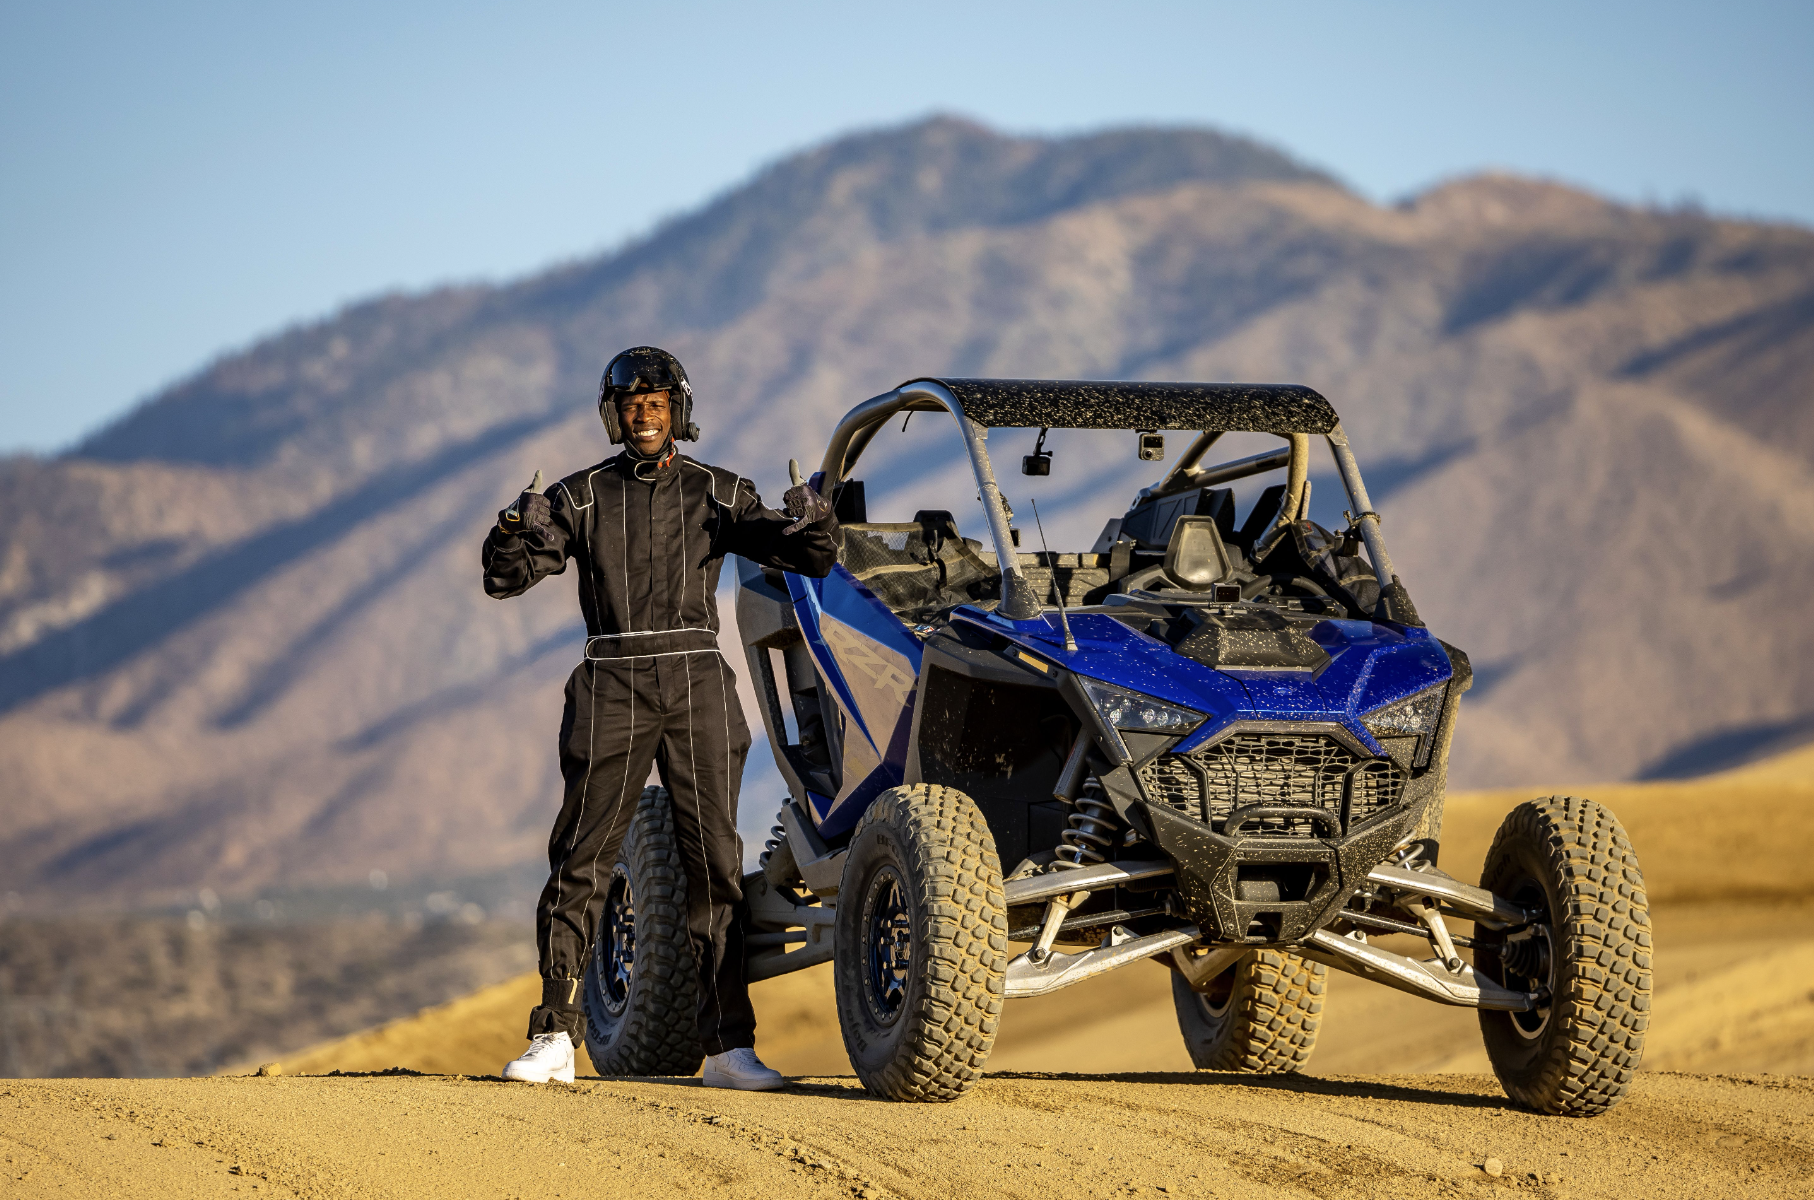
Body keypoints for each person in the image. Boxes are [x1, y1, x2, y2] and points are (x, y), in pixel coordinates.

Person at [480, 346, 837, 1089]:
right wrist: (514, 527)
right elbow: (505, 579)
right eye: (632, 403)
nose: (645, 413)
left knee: (714, 864)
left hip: (697, 681)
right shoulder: (578, 499)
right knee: (582, 858)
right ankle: (554, 1038)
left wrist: (813, 521)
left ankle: (728, 1051)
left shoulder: (721, 491)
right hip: (611, 680)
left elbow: (805, 557)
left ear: (678, 409)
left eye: (657, 400)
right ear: (614, 415)